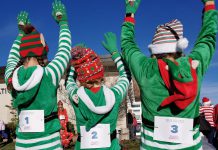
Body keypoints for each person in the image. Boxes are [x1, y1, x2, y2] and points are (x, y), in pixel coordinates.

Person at [121, 0, 217, 149]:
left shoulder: (145, 68)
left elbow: (127, 45)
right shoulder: (194, 64)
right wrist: (209, 5)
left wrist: (129, 14)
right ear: (180, 47)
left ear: (154, 49)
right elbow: (208, 38)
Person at [4, 0, 71, 149]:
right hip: (49, 144)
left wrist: (21, 33)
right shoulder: (50, 74)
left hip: (22, 145)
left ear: (22, 53)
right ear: (42, 51)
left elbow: (12, 58)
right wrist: (63, 23)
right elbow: (65, 50)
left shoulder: (11, 79)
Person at [66, 32, 131, 149]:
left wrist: (75, 62)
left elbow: (69, 81)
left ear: (81, 78)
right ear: (101, 74)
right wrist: (115, 53)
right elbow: (126, 75)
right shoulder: (114, 95)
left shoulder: (75, 96)